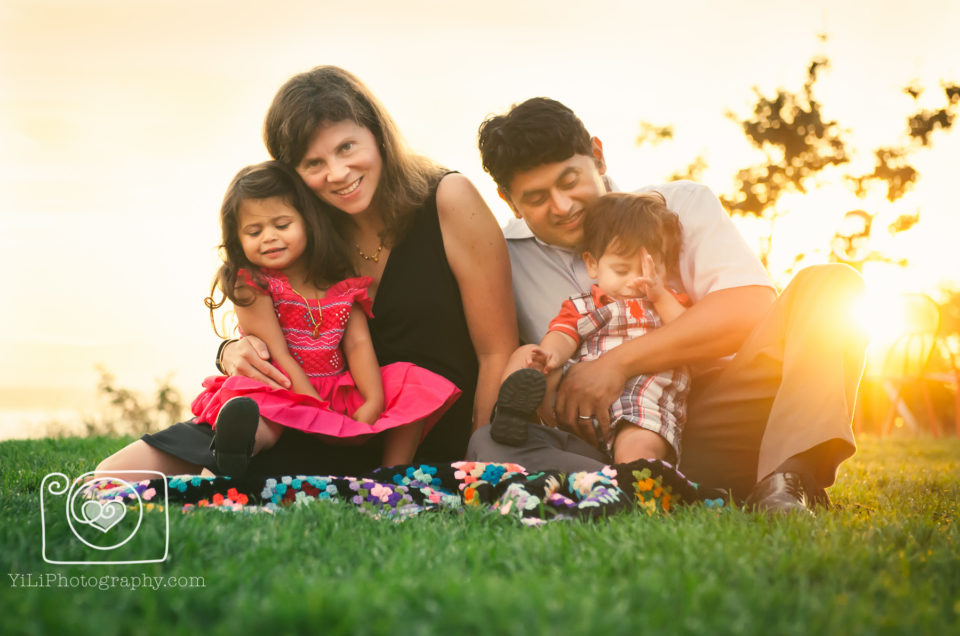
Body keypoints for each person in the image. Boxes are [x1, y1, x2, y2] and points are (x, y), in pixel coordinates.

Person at [97, 66, 516, 480]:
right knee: (113, 475)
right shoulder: (302, 232)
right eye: (313, 163)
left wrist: (478, 452)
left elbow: (495, 352)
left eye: (347, 147)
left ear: (378, 135)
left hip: (423, 432)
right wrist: (231, 352)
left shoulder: (447, 199)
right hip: (317, 418)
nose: (337, 173)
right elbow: (269, 313)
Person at [467, 97, 869, 514]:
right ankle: (632, 487)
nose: (563, 206)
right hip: (600, 443)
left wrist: (616, 364)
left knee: (833, 286)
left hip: (715, 416)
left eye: (570, 182)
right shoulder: (503, 257)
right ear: (508, 199)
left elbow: (747, 309)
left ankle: (787, 481)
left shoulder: (681, 204)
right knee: (488, 443)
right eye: (536, 198)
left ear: (598, 157)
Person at [192, 161, 461, 476]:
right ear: (238, 239)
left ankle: (393, 474)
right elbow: (278, 353)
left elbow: (358, 345)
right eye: (254, 231)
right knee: (259, 408)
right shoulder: (253, 283)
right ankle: (237, 450)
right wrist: (313, 408)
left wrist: (373, 400)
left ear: (308, 221)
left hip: (336, 391)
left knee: (413, 385)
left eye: (282, 225)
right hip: (283, 386)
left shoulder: (340, 282)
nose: (268, 237)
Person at [489, 192, 690, 468]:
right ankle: (515, 416)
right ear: (593, 264)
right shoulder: (583, 305)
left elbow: (686, 335)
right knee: (526, 355)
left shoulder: (667, 303)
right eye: (621, 270)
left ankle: (634, 490)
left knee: (638, 446)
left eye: (648, 270)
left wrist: (660, 296)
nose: (635, 281)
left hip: (642, 402)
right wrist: (548, 356)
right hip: (577, 397)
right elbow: (563, 334)